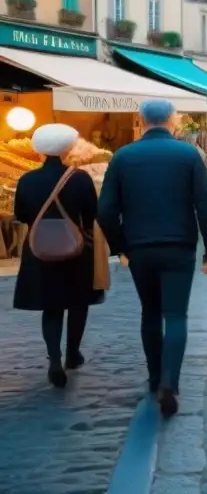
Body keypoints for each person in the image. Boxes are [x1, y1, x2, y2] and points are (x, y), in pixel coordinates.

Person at [98, 99, 207, 418]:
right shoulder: (187, 155)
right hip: (179, 244)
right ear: (172, 120)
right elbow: (205, 205)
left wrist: (120, 246)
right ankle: (171, 382)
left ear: (142, 120)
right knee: (176, 315)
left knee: (149, 312)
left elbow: (107, 210)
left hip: (139, 246)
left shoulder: (122, 156)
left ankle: (155, 377)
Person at [13, 124, 105, 388]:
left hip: (39, 250)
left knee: (51, 306)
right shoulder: (80, 179)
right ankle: (73, 353)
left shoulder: (27, 180)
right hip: (75, 250)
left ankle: (54, 358)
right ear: (67, 147)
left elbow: (21, 216)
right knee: (77, 303)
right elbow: (90, 216)